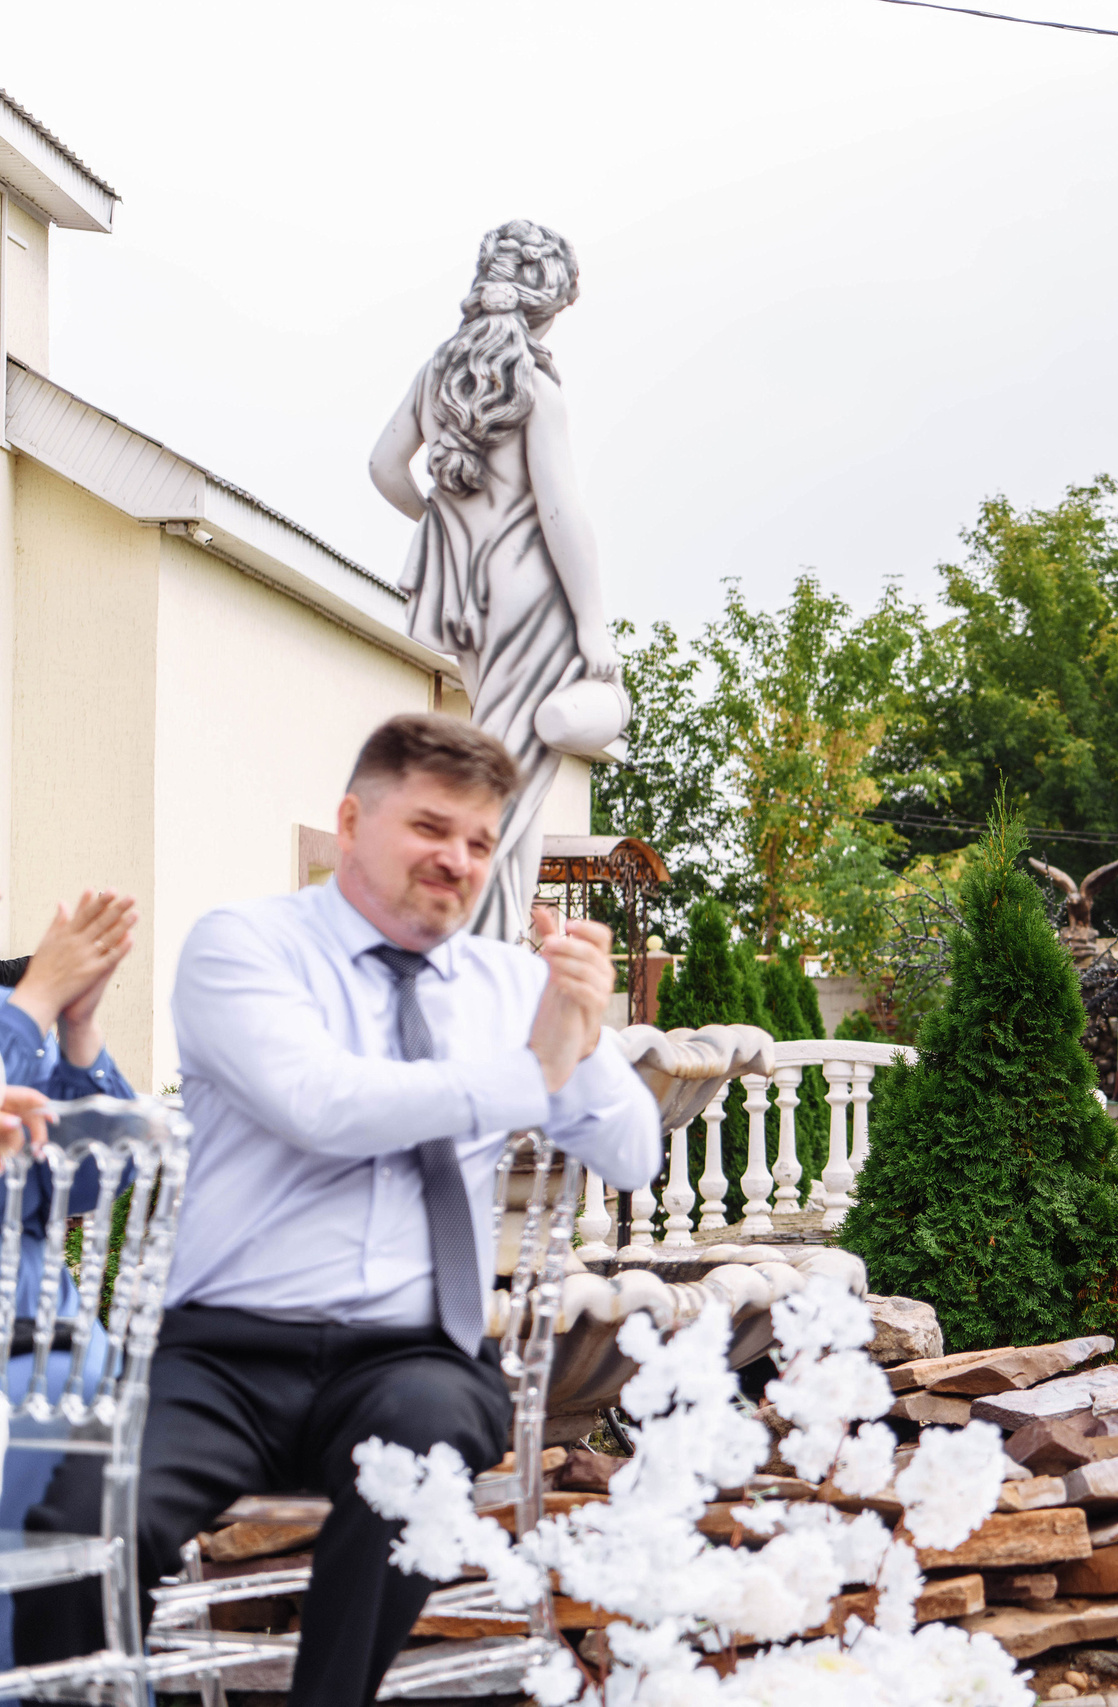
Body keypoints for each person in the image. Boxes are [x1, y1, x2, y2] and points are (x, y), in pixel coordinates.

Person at [15, 712, 662, 1705]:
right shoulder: (245, 946)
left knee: (417, 1460)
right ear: (352, 821)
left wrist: (583, 1032)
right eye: (430, 827)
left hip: (414, 1358)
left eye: (480, 841)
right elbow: (323, 1105)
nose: (457, 859)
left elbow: (632, 1151)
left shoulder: (509, 986)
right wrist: (532, 1069)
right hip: (220, 1355)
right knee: (86, 1523)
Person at [369, 220, 622, 943]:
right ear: (548, 308)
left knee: (511, 766)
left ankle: (502, 942)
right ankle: (446, 936)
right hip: (534, 600)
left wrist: (440, 522)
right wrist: (593, 623)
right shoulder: (537, 391)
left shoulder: (435, 377)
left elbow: (384, 468)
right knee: (507, 780)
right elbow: (561, 512)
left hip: (462, 593)